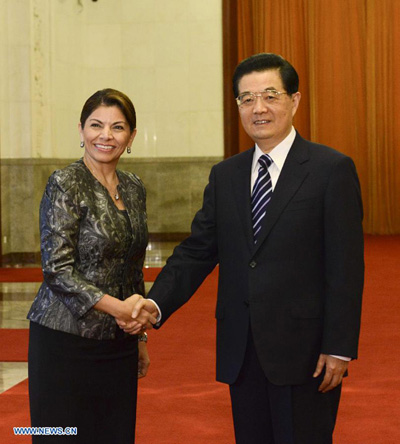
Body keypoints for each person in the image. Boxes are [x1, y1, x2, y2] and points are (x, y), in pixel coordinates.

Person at [124, 53, 365, 444]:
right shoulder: (226, 175)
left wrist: (339, 347)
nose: (259, 108)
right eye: (247, 99)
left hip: (306, 353)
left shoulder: (330, 170)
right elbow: (197, 251)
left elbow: (346, 268)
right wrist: (156, 304)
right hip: (242, 350)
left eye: (270, 95)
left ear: (295, 100)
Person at [27, 88, 155, 443]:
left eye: (118, 127)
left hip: (118, 344)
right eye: (96, 125)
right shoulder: (65, 183)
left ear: (131, 136)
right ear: (81, 130)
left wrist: (138, 335)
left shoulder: (133, 187)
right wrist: (121, 310)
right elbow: (57, 269)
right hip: (65, 343)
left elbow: (133, 266)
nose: (106, 135)